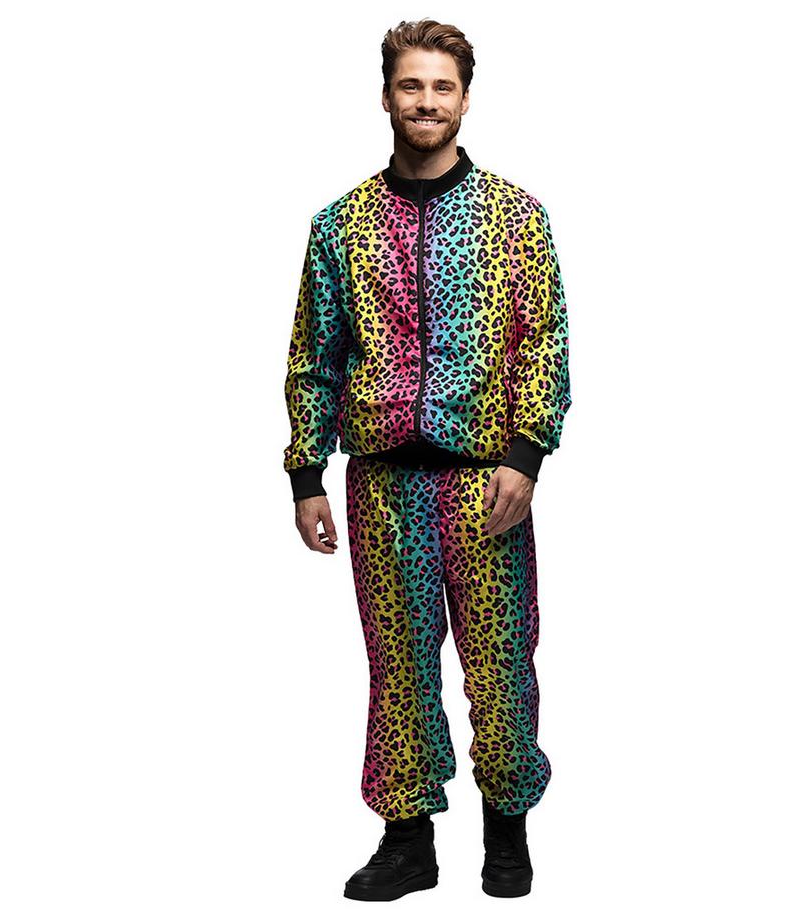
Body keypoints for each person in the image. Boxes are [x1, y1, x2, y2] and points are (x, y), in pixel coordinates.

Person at [282, 18, 572, 901]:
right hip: (380, 483)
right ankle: (407, 840)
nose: (426, 101)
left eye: (442, 87)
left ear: (465, 100)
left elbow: (544, 342)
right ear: (385, 96)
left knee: (500, 661)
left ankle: (508, 829)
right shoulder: (340, 224)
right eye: (411, 85)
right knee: (397, 666)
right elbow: (315, 353)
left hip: (487, 480)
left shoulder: (516, 217)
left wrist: (526, 455)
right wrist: (306, 473)